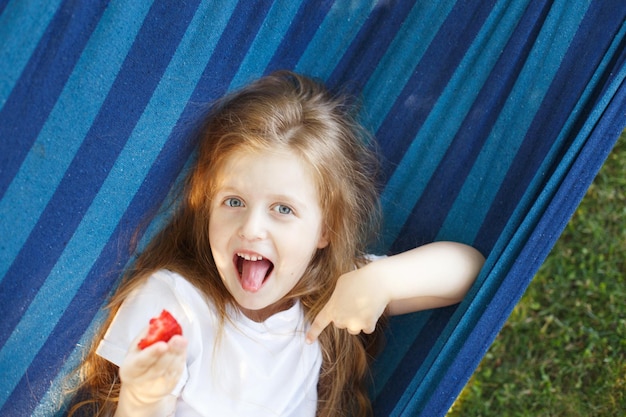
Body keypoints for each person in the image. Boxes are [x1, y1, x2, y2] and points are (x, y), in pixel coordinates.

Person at [66, 71, 485, 417]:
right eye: (234, 201)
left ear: (325, 231)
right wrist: (144, 398)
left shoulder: (330, 297)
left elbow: (468, 271)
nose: (251, 228)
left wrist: (384, 281)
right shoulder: (173, 302)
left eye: (283, 209)